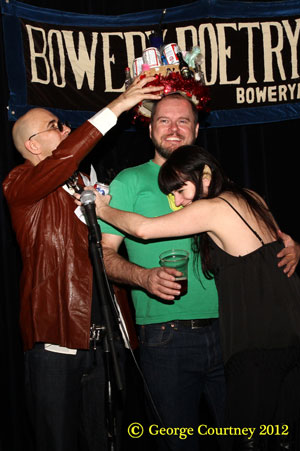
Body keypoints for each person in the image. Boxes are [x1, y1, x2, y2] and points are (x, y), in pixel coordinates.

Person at [97, 93, 300, 451]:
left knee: (246, 436)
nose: (178, 199)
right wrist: (143, 278)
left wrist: (291, 246)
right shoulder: (129, 181)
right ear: (149, 128)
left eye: (183, 121)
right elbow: (104, 255)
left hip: (234, 335)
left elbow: (272, 243)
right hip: (169, 338)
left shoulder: (219, 199)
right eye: (164, 121)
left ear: (197, 130)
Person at [2, 76, 162, 451]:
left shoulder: (83, 183)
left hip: (107, 342)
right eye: (56, 127)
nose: (67, 129)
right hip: (57, 339)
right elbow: (65, 157)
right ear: (33, 144)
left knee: (108, 440)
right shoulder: (19, 184)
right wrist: (118, 105)